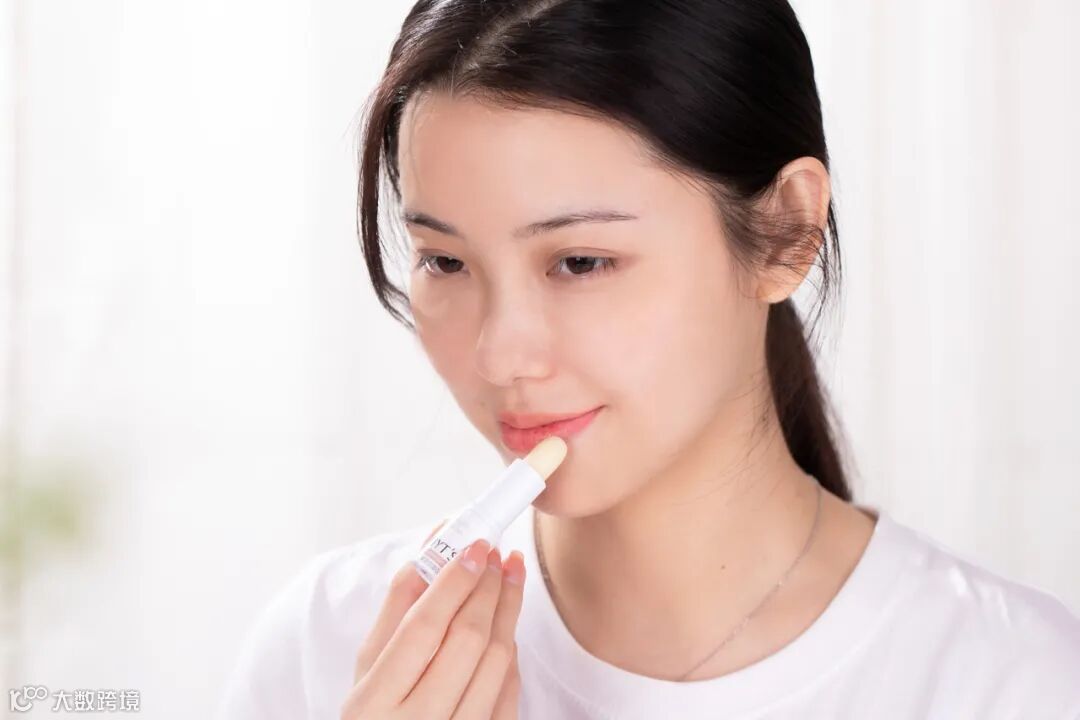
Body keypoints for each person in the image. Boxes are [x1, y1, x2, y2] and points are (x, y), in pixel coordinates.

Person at [216, 0, 1080, 717]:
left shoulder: (1012, 683)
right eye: (445, 262)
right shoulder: (328, 650)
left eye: (580, 262)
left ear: (786, 230)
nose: (500, 353)